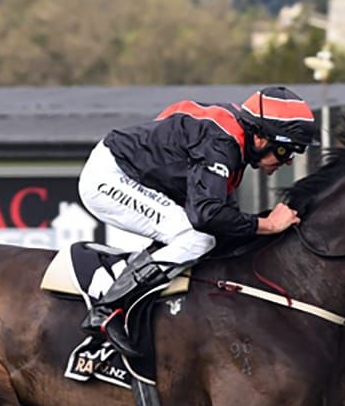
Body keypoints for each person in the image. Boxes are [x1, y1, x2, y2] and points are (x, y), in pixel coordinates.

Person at [77, 85, 317, 356]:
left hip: (138, 173)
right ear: (260, 137)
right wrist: (269, 224)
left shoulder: (232, 138)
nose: (287, 163)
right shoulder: (221, 143)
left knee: (213, 235)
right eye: (285, 152)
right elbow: (207, 215)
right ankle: (108, 309)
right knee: (197, 238)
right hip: (109, 178)